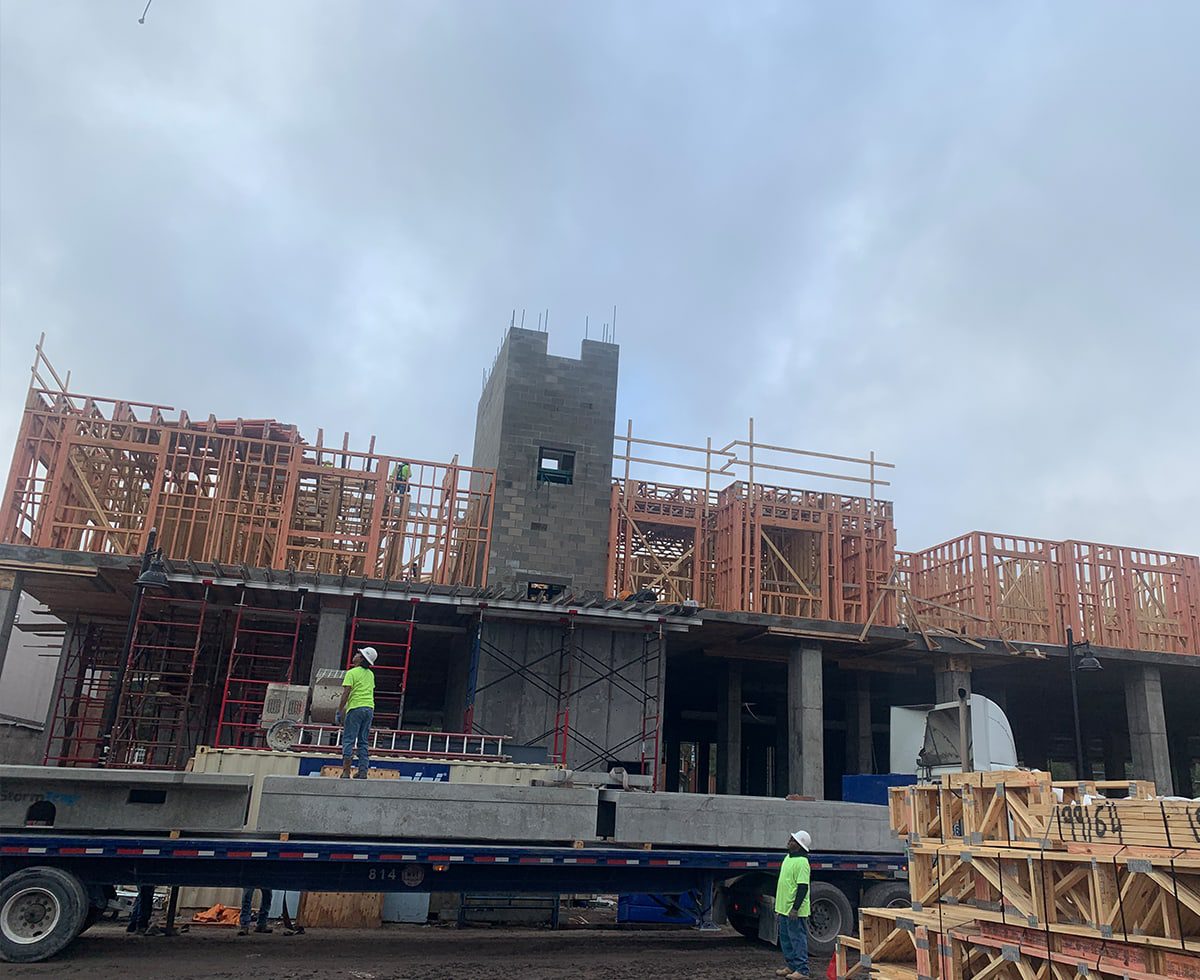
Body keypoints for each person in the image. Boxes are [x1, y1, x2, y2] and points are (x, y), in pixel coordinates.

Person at [774, 829, 812, 980]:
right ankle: (792, 965)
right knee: (786, 939)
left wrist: (795, 908)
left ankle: (802, 970)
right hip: (784, 908)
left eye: (792, 840)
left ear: (799, 845)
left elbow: (802, 887)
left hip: (794, 910)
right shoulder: (788, 858)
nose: (789, 841)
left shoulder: (802, 862)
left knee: (797, 939)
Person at [336, 646, 377, 779]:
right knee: (363, 741)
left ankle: (346, 771)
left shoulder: (352, 673)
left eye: (358, 654)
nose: (355, 655)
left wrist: (339, 710)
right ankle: (363, 771)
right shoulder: (370, 674)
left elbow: (346, 693)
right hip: (369, 709)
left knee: (348, 739)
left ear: (361, 659)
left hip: (355, 709)